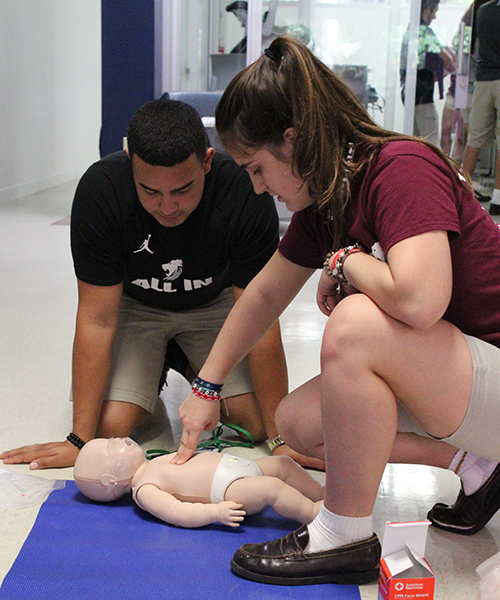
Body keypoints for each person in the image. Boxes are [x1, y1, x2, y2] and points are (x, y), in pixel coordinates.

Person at [169, 35, 500, 586]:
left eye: (256, 168)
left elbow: (420, 300)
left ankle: (342, 534)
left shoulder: (401, 167)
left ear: (293, 141)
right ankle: (481, 468)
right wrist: (206, 388)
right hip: (467, 380)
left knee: (356, 326)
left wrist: (346, 261)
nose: (255, 188)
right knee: (298, 423)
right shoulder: (328, 199)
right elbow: (265, 294)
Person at [0, 99, 319, 471]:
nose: (168, 206)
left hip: (215, 306)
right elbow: (97, 320)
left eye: (183, 189)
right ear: (129, 161)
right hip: (135, 305)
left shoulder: (243, 190)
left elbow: (262, 318)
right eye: (150, 191)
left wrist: (278, 439)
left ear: (207, 161)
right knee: (110, 428)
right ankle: (152, 370)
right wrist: (79, 441)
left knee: (253, 422)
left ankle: (184, 359)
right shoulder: (100, 190)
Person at [73, 437, 324, 528]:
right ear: (109, 479)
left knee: (283, 465)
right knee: (272, 488)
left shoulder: (152, 463)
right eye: (109, 447)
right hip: (229, 488)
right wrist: (214, 512)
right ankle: (314, 513)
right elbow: (177, 512)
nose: (117, 439)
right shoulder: (144, 491)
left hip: (237, 466)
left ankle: (321, 492)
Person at [461, 0, 500, 215]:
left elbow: (475, 49)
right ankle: (498, 198)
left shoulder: (483, 11)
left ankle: (462, 192)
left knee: (474, 139)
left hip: (483, 80)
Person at [400, 0, 455, 145]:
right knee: (431, 143)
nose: (435, 17)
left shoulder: (409, 31)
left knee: (413, 142)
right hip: (423, 97)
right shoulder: (424, 31)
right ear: (426, 10)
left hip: (409, 96)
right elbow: (448, 59)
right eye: (434, 11)